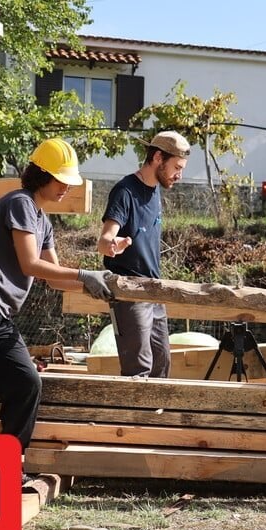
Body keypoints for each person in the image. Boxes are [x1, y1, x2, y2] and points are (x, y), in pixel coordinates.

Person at [0, 139, 114, 462]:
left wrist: (92, 286)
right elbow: (30, 264)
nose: (66, 189)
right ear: (42, 174)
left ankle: (7, 463)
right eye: (62, 180)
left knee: (26, 382)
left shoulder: (43, 221)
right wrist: (84, 274)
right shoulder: (19, 203)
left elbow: (53, 276)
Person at [97, 130, 191, 377]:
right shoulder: (125, 191)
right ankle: (133, 417)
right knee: (138, 369)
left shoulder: (156, 191)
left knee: (162, 364)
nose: (179, 175)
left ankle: (156, 417)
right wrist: (112, 245)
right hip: (129, 290)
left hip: (154, 288)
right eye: (177, 167)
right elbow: (105, 239)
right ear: (158, 157)